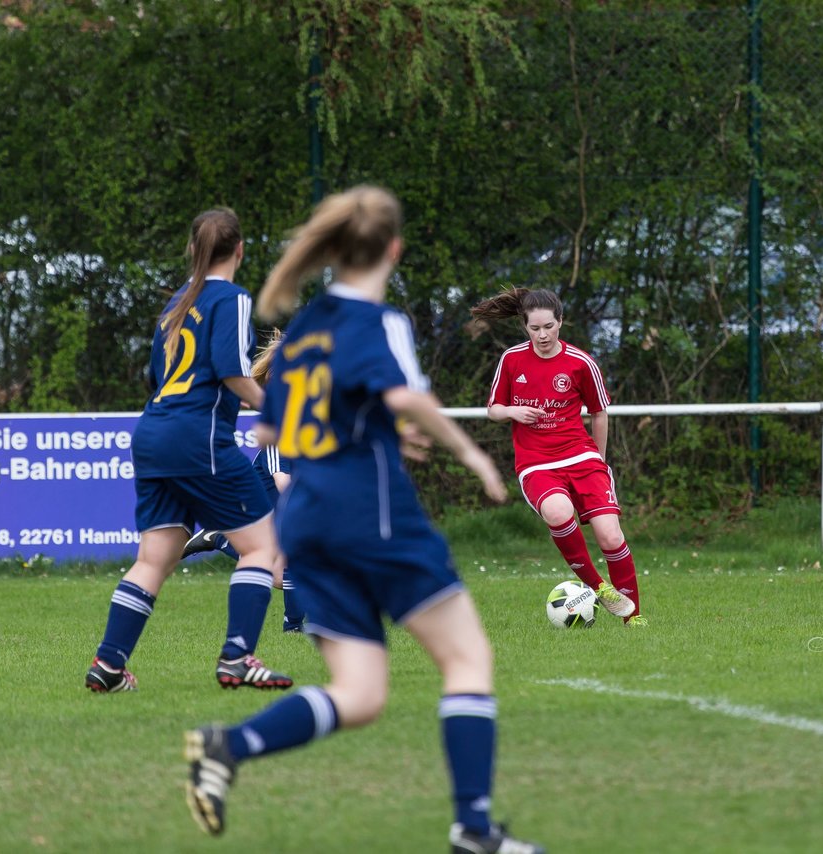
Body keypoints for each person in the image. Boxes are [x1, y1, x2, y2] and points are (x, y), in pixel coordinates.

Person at [183, 186, 545, 854]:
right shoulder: (378, 322)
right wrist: (470, 454)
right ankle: (473, 828)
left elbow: (271, 428)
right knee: (466, 658)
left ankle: (228, 746)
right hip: (368, 512)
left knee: (360, 694)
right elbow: (405, 393)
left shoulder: (306, 327)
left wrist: (371, 428)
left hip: (305, 520)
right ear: (394, 251)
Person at [85, 208, 293, 693]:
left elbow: (159, 378)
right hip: (197, 436)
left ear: (192, 249)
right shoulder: (232, 298)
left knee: (155, 556)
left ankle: (109, 666)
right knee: (263, 545)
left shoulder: (177, 303)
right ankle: (237, 657)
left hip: (154, 432)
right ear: (240, 250)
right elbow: (232, 373)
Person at [471, 287, 645, 626]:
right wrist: (514, 411)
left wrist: (599, 460)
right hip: (536, 462)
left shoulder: (581, 363)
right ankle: (600, 588)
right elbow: (493, 410)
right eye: (534, 328)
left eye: (548, 327)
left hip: (581, 456)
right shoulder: (512, 359)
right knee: (557, 511)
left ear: (560, 322)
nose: (542, 335)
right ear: (525, 327)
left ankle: (634, 618)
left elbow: (599, 413)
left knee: (610, 535)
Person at [181, 332, 307, 633]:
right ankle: (294, 626)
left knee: (282, 573)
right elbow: (281, 480)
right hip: (265, 501)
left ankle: (298, 624)